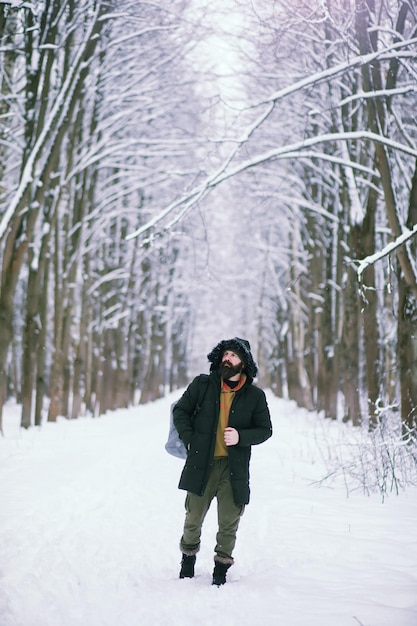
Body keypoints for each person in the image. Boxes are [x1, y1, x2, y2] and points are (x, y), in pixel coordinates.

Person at [173, 337, 272, 586]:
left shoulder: (255, 396)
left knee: (228, 522)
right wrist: (189, 439)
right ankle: (188, 560)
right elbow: (180, 411)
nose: (227, 359)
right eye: (225, 354)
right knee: (193, 516)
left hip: (233, 469)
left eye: (234, 356)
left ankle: (220, 571)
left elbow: (265, 430)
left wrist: (241, 436)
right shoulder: (203, 385)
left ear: (244, 364)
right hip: (201, 464)